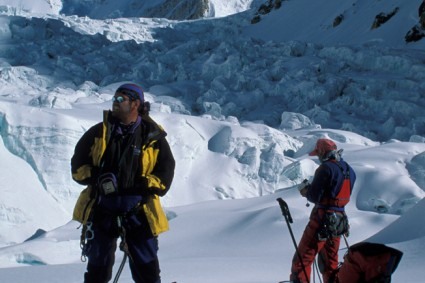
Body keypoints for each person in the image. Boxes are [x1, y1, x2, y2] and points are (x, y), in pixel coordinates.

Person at [71, 83, 175, 283]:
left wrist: (143, 183)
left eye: (120, 99)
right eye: (114, 99)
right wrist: (96, 177)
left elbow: (165, 174)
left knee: (148, 273)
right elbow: (77, 167)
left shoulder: (153, 137)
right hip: (102, 210)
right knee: (97, 272)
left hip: (139, 212)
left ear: (135, 103)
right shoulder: (97, 133)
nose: (115, 103)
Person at [289, 138, 356, 283]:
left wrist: (306, 191)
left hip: (322, 221)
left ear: (322, 153)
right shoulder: (349, 170)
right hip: (339, 222)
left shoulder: (325, 168)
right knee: (330, 263)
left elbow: (315, 196)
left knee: (301, 261)